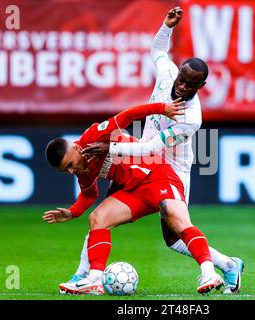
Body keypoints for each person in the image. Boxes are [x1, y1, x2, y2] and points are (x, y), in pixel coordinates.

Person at [64, 6, 244, 294]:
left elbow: (150, 147)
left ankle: (229, 264)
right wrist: (167, 27)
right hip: (142, 160)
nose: (181, 86)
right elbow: (158, 50)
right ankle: (83, 276)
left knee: (173, 237)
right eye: (182, 78)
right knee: (101, 216)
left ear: (202, 86)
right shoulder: (168, 73)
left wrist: (110, 149)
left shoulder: (191, 118)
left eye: (190, 85)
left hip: (171, 168)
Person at [43, 100, 224, 295]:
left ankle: (209, 273)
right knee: (97, 218)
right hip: (134, 190)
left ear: (76, 149)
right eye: (65, 170)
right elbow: (89, 195)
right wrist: (71, 213)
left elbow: (128, 115)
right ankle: (94, 280)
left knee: (177, 222)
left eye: (70, 165)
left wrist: (163, 109)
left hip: (157, 175)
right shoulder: (82, 169)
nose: (71, 171)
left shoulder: (93, 136)